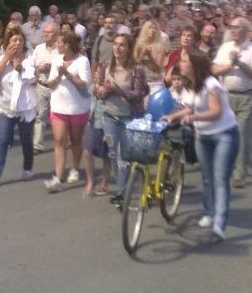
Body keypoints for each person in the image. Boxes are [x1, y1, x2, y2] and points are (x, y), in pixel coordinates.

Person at [163, 51, 239, 243]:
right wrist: (174, 116)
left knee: (220, 179)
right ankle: (208, 212)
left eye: (185, 61)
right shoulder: (190, 85)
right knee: (207, 177)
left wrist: (194, 117)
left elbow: (216, 111)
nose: (182, 63)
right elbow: (190, 107)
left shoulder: (211, 84)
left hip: (224, 134)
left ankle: (219, 226)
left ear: (195, 65)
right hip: (203, 136)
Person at [94, 34, 147, 208]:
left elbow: (138, 94)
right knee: (113, 153)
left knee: (123, 156)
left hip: (129, 118)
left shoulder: (137, 69)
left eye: (122, 45)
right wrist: (101, 90)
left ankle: (121, 193)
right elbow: (97, 88)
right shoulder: (105, 67)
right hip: (109, 116)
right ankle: (123, 187)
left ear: (128, 48)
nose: (117, 48)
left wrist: (118, 89)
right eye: (115, 44)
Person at [212, 17, 252, 189]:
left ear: (245, 30)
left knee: (241, 136)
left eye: (236, 27)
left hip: (246, 98)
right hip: (226, 97)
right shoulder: (225, 47)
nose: (233, 30)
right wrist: (228, 66)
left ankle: (239, 174)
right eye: (231, 27)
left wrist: (240, 63)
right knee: (225, 136)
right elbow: (213, 69)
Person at [45, 31, 91, 192]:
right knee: (59, 141)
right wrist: (58, 76)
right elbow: (50, 84)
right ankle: (58, 177)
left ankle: (75, 168)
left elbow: (84, 84)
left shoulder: (82, 61)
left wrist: (68, 74)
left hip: (78, 107)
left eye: (60, 43)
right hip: (58, 106)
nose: (57, 45)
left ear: (68, 45)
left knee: (76, 141)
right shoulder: (56, 59)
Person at [0, 29, 37, 179]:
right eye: (14, 40)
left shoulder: (30, 59)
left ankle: (27, 168)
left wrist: (20, 68)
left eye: (20, 40)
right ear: (8, 43)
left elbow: (33, 80)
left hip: (26, 108)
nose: (17, 43)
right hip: (5, 108)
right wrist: (7, 59)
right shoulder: (0, 59)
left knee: (26, 140)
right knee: (2, 141)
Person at [32, 22, 60, 154]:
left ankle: (62, 141)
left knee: (59, 116)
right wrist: (39, 69)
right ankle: (37, 145)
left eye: (49, 32)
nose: (46, 35)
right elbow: (32, 67)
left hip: (57, 87)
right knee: (40, 115)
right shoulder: (38, 49)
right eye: (45, 32)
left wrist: (52, 67)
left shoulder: (61, 49)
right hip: (42, 86)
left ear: (56, 35)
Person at [133, 20, 168, 94]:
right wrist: (142, 54)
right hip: (139, 81)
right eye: (150, 28)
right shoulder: (139, 45)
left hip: (154, 82)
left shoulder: (161, 47)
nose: (153, 31)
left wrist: (150, 56)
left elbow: (158, 69)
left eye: (155, 29)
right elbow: (135, 63)